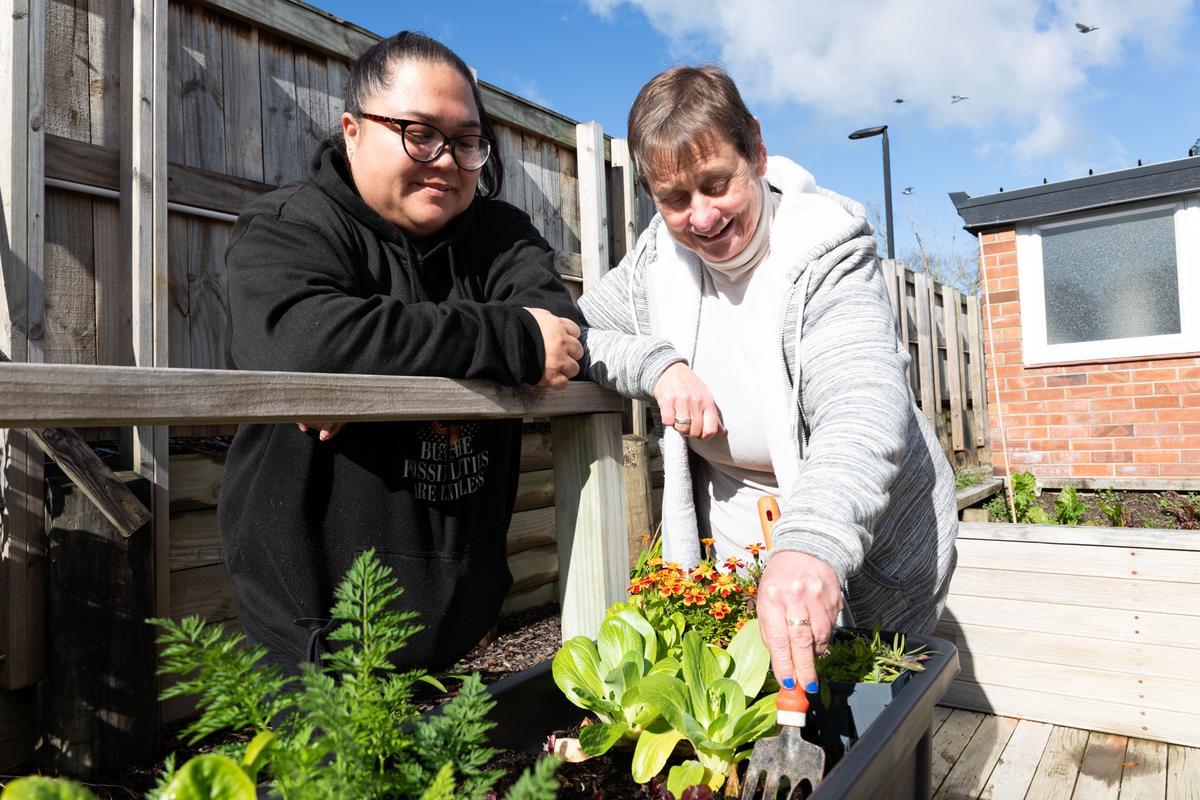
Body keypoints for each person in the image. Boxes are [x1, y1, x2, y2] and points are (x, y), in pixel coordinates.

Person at [580, 66, 958, 695]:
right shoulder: (655, 262)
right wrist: (658, 364)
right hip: (738, 546)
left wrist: (808, 543)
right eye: (675, 200)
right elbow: (580, 332)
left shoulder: (827, 249)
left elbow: (861, 409)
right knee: (760, 711)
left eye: (716, 184)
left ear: (754, 149)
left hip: (864, 538)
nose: (701, 218)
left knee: (868, 716)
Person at [218, 31, 584, 671]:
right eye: (419, 133)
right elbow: (302, 340)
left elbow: (560, 331)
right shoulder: (290, 226)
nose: (446, 159)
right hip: (315, 624)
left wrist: (365, 363)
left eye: (467, 142)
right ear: (352, 130)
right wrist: (512, 340)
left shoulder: (501, 235)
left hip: (460, 615)